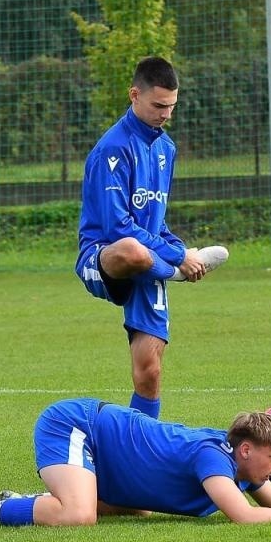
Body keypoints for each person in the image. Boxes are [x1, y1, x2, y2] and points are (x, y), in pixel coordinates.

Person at [75, 56, 228, 419]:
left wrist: (174, 247)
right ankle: (177, 270)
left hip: (150, 261)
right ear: (134, 95)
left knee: (150, 371)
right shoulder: (112, 149)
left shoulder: (166, 150)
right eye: (159, 106)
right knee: (132, 249)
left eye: (172, 107)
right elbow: (118, 228)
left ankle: (138, 451)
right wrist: (179, 258)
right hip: (104, 255)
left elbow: (156, 222)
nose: (166, 115)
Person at [0, 402, 271, 527]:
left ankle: (34, 500)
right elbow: (244, 517)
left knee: (138, 511)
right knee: (78, 516)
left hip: (109, 458)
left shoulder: (243, 468)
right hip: (76, 425)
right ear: (246, 449)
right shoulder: (214, 457)